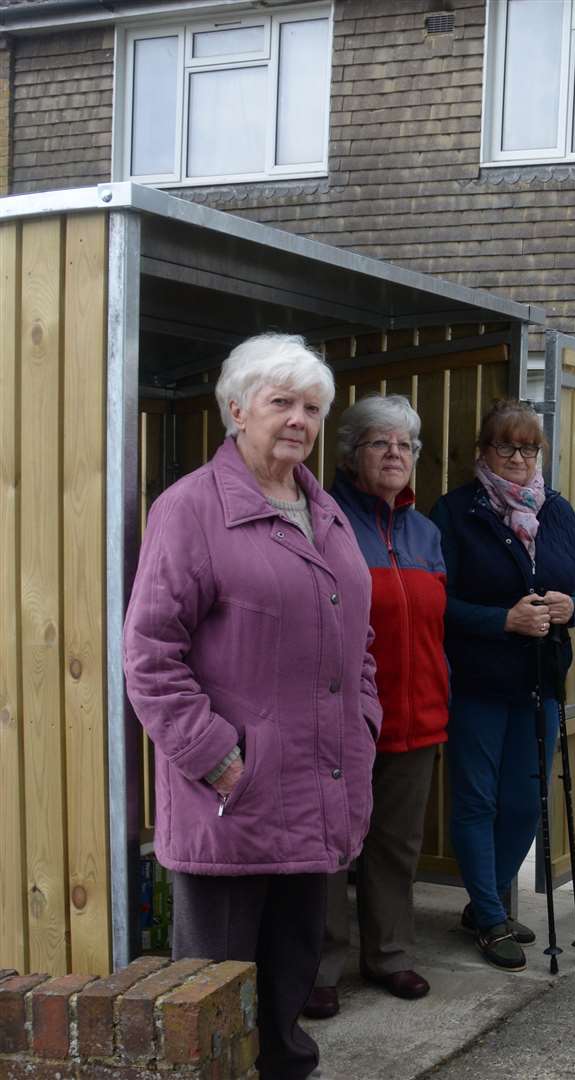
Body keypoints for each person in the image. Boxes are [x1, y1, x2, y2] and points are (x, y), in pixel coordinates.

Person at [124, 333, 380, 1080]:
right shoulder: (192, 511)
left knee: (291, 975)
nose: (299, 419)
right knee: (212, 987)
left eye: (312, 406)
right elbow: (148, 654)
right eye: (281, 403)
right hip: (233, 797)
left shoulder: (325, 513)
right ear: (237, 410)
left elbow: (357, 643)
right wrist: (218, 758)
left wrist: (363, 725)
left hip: (318, 786)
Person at [430, 400, 575, 971]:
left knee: (525, 802)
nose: (520, 459)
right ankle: (492, 916)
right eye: (507, 447)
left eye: (529, 449)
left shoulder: (557, 511)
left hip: (541, 681)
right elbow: (438, 605)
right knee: (478, 799)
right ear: (483, 452)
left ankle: (485, 903)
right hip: (477, 681)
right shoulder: (455, 513)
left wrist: (573, 607)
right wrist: (502, 620)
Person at [306, 395, 449, 1019]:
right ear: (350, 454)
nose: (396, 455)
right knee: (332, 847)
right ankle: (317, 965)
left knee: (395, 844)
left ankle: (390, 955)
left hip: (418, 716)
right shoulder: (326, 520)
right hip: (343, 718)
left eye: (406, 446)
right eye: (381, 444)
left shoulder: (426, 532)